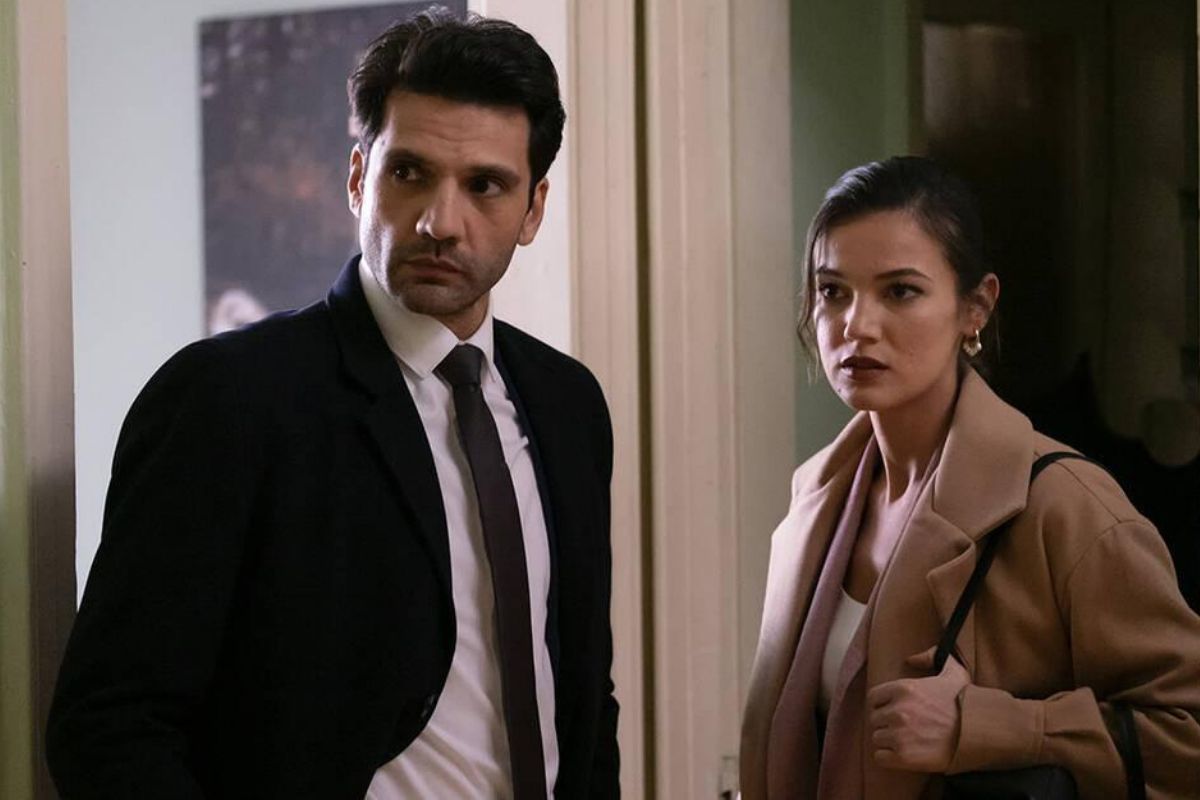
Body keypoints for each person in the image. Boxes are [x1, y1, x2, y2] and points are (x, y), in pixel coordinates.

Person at [47, 11, 618, 799]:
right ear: (358, 179)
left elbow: (582, 693)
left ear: (534, 209)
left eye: (484, 186)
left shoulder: (568, 405)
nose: (439, 222)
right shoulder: (228, 398)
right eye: (409, 173)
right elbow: (109, 724)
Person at [739, 156, 1200, 799]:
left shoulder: (1063, 506)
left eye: (900, 291)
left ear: (975, 307)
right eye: (833, 291)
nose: (855, 326)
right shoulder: (817, 499)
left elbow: (1186, 733)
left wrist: (988, 727)